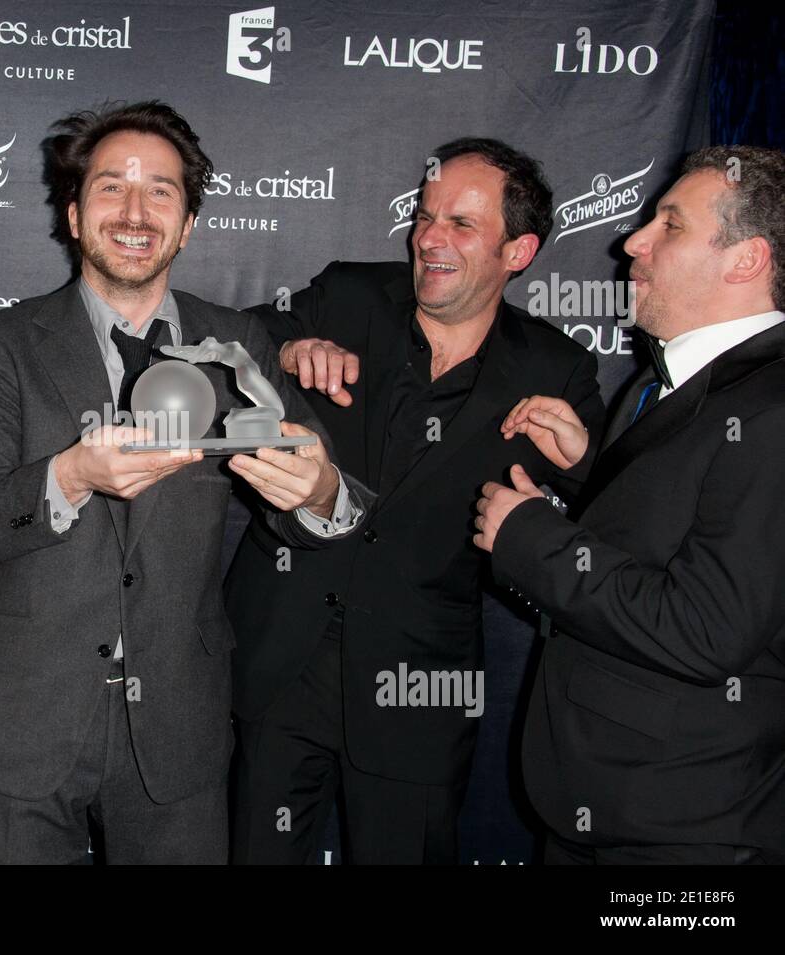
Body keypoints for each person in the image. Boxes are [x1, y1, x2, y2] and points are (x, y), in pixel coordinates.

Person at [0, 101, 369, 865]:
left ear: (189, 223)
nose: (135, 212)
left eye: (161, 191)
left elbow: (332, 500)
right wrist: (70, 474)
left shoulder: (237, 344)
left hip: (179, 727)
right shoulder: (3, 344)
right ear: (72, 214)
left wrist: (320, 489)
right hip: (20, 720)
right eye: (110, 188)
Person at [227, 138, 606, 864]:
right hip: (281, 662)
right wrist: (287, 349)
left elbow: (623, 509)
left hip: (417, 688)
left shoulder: (555, 366)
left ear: (518, 252)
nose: (428, 237)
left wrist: (582, 460)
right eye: (427, 216)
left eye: (462, 224)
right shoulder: (347, 294)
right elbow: (237, 339)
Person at [476, 145, 785, 864]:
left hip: (683, 828)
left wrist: (530, 537)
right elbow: (683, 519)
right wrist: (591, 468)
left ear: (746, 260)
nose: (632, 241)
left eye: (669, 226)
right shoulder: (667, 382)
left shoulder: (773, 411)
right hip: (602, 804)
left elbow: (707, 628)